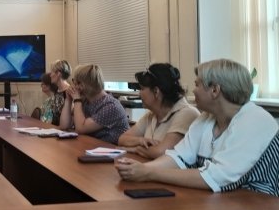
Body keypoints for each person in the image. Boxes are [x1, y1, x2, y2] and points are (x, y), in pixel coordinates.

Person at [115, 59, 279, 195]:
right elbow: (179, 157)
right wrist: (140, 169)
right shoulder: (206, 118)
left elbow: (216, 177)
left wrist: (149, 173)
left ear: (214, 90)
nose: (193, 90)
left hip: (259, 209)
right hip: (224, 202)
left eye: (197, 84)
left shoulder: (256, 120)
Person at [117, 63, 200, 159]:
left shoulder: (187, 113)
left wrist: (135, 149)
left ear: (156, 91)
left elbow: (161, 152)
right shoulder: (151, 115)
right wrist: (141, 141)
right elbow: (122, 139)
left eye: (142, 89)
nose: (139, 94)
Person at [59, 64, 129, 144]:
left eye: (77, 83)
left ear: (86, 84)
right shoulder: (86, 101)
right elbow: (64, 126)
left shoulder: (111, 106)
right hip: (91, 146)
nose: (75, 86)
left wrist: (77, 100)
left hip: (112, 149)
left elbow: (80, 128)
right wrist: (68, 100)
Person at [49, 59, 72, 126]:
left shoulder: (70, 92)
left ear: (58, 74)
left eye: (52, 72)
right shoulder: (57, 91)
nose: (50, 75)